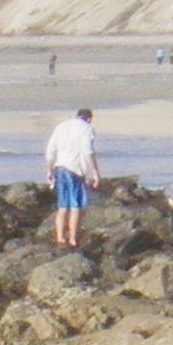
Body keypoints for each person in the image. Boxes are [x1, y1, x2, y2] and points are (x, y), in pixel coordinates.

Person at [46, 104, 102, 248]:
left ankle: (60, 238)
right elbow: (87, 152)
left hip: (59, 168)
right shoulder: (86, 129)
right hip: (74, 171)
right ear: (89, 119)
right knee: (75, 207)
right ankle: (72, 238)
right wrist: (95, 173)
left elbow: (50, 150)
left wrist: (49, 171)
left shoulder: (61, 126)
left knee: (62, 207)